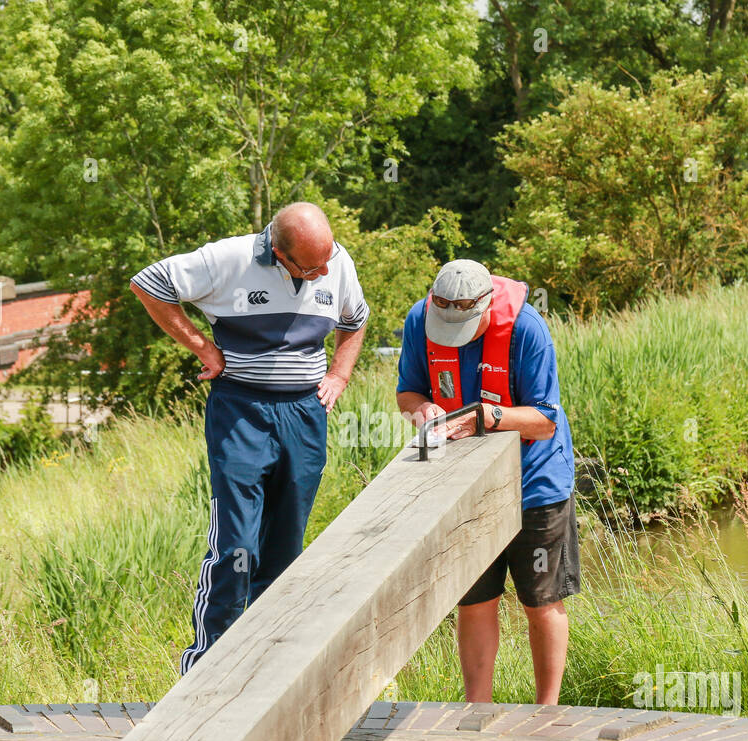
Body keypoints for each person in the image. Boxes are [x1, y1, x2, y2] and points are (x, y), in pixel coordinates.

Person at [130, 202, 369, 674]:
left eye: (328, 260)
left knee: (285, 548)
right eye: (311, 266)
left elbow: (354, 320)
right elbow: (149, 284)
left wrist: (339, 375)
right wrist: (203, 348)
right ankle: (206, 667)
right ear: (279, 252)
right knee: (237, 544)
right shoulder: (228, 259)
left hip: (305, 413)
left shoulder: (335, 261)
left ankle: (266, 669)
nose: (324, 271)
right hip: (241, 410)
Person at [396, 259, 578, 705]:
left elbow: (544, 421)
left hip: (535, 485)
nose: (453, 337)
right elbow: (409, 391)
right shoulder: (420, 321)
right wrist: (421, 411)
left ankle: (546, 712)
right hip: (465, 489)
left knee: (541, 600)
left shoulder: (527, 329)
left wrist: (486, 416)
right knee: (474, 601)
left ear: (487, 308)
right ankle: (477, 710)